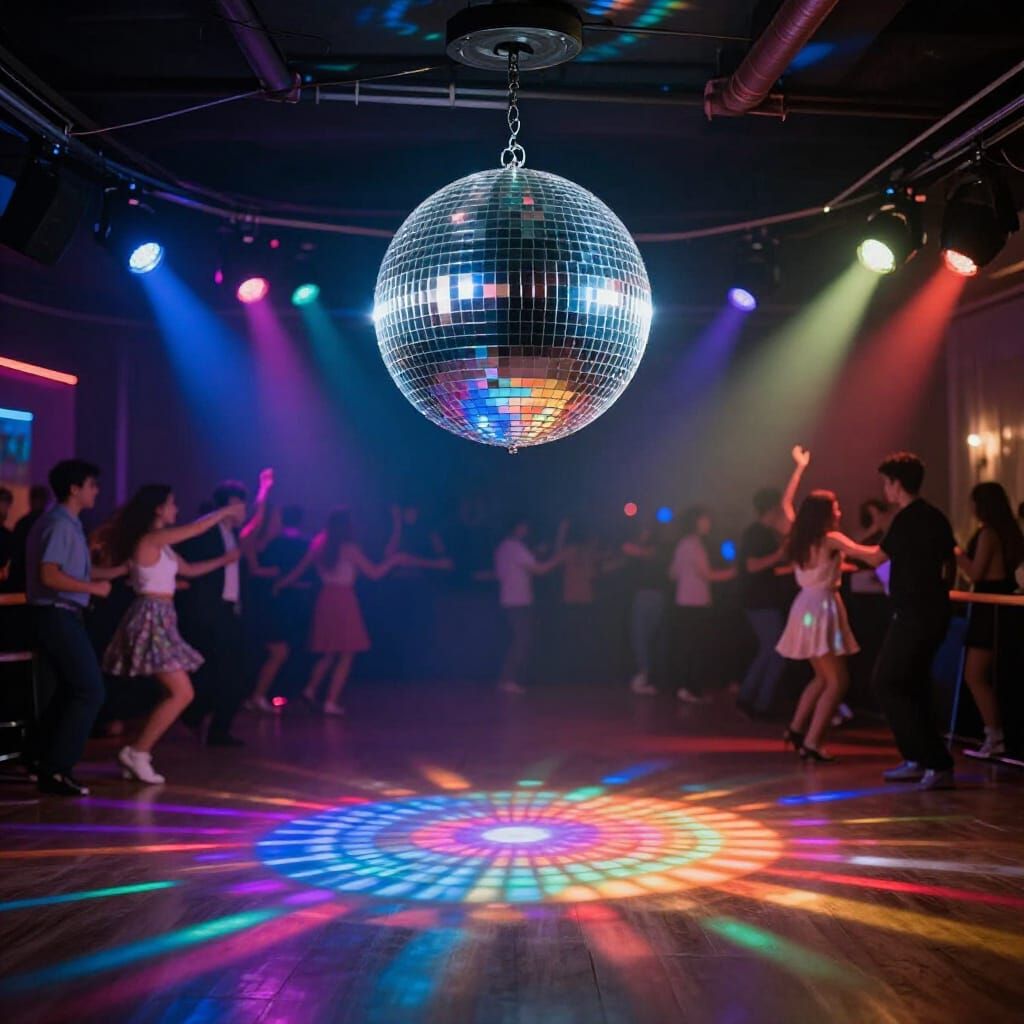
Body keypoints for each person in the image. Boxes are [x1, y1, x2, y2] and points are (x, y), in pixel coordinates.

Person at [99, 487, 244, 783]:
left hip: (162, 616)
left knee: (178, 692)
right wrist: (225, 513)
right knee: (182, 693)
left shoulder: (163, 546)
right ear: (158, 509)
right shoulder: (152, 539)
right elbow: (194, 529)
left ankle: (137, 751)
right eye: (172, 504)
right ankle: (138, 752)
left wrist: (226, 560)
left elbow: (188, 570)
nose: (176, 509)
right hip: (151, 616)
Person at [26, 460, 126, 795]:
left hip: (60, 614)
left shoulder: (67, 524)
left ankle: (40, 758)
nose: (96, 491)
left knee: (70, 690)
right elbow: (50, 575)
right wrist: (94, 589)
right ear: (75, 488)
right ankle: (56, 768)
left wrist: (114, 573)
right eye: (92, 485)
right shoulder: (60, 525)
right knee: (89, 690)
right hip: (56, 614)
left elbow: (74, 573)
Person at [865, 453, 957, 790]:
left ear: (897, 483)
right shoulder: (935, 517)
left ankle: (936, 762)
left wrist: (839, 543)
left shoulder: (907, 519)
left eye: (886, 482)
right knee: (911, 685)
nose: (885, 489)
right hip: (929, 613)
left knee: (887, 681)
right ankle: (919, 759)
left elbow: (876, 556)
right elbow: (950, 562)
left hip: (915, 616)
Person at [776, 491, 878, 761]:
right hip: (821, 607)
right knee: (837, 681)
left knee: (822, 678)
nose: (839, 512)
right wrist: (893, 537)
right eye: (835, 508)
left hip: (805, 606)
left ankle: (797, 731)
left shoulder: (801, 537)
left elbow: (786, 504)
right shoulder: (830, 538)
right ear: (824, 514)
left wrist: (798, 468)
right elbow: (872, 557)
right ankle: (811, 741)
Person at [176, 469, 273, 746]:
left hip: (230, 612)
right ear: (225, 508)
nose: (242, 511)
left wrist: (264, 489)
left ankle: (216, 729)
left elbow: (258, 518)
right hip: (210, 614)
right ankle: (198, 718)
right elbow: (187, 565)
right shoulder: (205, 534)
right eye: (237, 505)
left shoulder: (236, 535)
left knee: (235, 673)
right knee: (215, 672)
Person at [275, 507, 400, 715]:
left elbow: (299, 570)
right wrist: (394, 561)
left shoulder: (319, 545)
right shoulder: (349, 549)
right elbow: (374, 574)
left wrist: (281, 583)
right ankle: (330, 701)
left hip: (325, 599)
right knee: (347, 652)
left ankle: (310, 690)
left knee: (330, 651)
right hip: (343, 599)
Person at [736, 446, 810, 716]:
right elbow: (752, 565)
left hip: (762, 600)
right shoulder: (758, 533)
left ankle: (750, 700)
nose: (784, 509)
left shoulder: (763, 531)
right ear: (771, 508)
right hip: (759, 602)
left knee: (770, 650)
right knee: (775, 651)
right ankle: (758, 703)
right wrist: (780, 555)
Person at [955, 482, 1024, 759]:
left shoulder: (988, 534)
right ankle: (995, 735)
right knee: (988, 674)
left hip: (989, 605)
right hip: (999, 605)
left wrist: (956, 552)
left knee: (975, 673)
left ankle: (994, 736)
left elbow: (976, 573)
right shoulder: (1007, 533)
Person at [247, 505, 314, 712]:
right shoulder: (263, 545)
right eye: (274, 519)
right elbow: (256, 571)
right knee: (280, 651)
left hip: (276, 603)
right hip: (274, 604)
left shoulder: (274, 544)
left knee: (279, 651)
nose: (277, 523)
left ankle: (261, 696)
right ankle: (259, 696)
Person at [669, 506, 736, 703]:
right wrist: (734, 573)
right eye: (705, 519)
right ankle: (691, 688)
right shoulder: (693, 544)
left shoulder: (684, 543)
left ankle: (686, 687)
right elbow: (706, 574)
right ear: (696, 521)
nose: (709, 523)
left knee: (689, 646)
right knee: (695, 647)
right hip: (695, 602)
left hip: (685, 601)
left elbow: (672, 573)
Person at [494, 519, 564, 694]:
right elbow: (539, 569)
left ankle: (509, 679)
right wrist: (559, 559)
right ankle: (508, 679)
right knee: (522, 640)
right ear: (517, 528)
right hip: (517, 601)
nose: (527, 529)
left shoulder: (504, 547)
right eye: (523, 526)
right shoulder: (515, 548)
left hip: (511, 599)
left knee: (521, 639)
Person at [622, 521, 675, 695]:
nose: (642, 533)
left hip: (649, 596)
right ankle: (646, 676)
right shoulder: (659, 549)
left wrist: (639, 543)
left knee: (641, 637)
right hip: (654, 595)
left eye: (644, 530)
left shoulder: (656, 549)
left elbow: (629, 548)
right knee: (645, 638)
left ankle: (645, 676)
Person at [9, 483, 51, 592]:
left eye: (38, 498)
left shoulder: (23, 523)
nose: (36, 501)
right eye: (35, 498)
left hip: (23, 579)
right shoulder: (49, 524)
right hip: (35, 580)